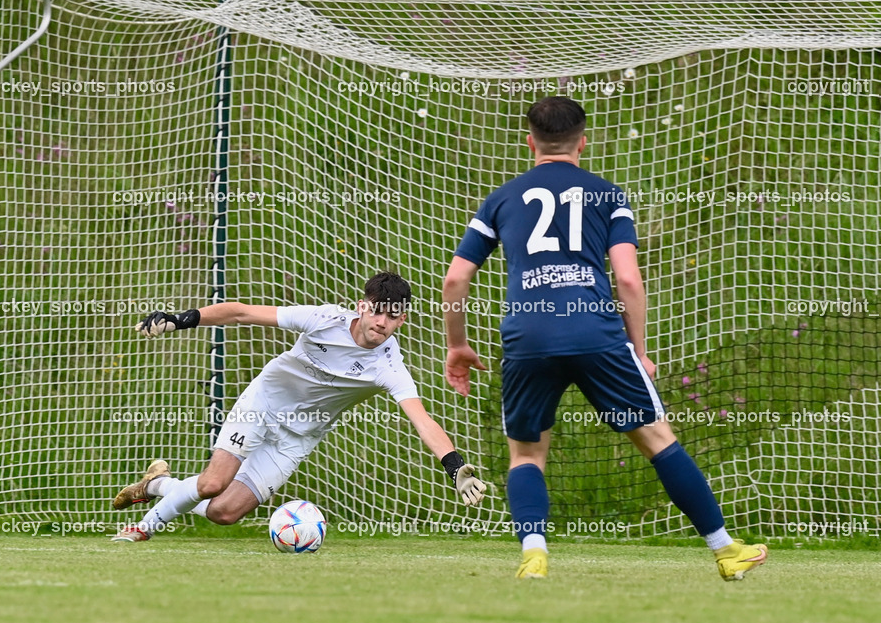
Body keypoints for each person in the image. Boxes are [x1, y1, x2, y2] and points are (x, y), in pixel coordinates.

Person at [441, 97, 767, 580]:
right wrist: (638, 349)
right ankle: (724, 550)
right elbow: (629, 281)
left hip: (528, 337)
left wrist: (458, 345)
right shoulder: (607, 195)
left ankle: (533, 555)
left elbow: (455, 279)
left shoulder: (502, 198)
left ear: (530, 141)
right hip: (595, 332)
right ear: (583, 142)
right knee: (657, 439)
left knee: (527, 453)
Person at [111, 271, 487, 542]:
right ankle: (142, 529)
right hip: (262, 405)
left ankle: (158, 484)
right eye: (377, 311)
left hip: (297, 437)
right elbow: (242, 312)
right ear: (363, 306)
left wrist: (454, 466)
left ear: (402, 320)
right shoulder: (323, 320)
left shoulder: (390, 366)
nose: (382, 322)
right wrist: (181, 319)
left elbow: (421, 420)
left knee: (224, 513)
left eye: (392, 316)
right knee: (212, 484)